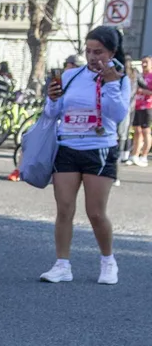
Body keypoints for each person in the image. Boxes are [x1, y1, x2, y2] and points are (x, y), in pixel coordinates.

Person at [38, 26, 131, 286]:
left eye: (98, 52)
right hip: (67, 146)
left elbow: (118, 115)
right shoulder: (71, 75)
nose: (92, 57)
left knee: (96, 212)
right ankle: (62, 265)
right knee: (64, 208)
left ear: (112, 52)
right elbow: (53, 112)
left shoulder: (121, 78)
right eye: (88, 51)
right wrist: (52, 99)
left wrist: (111, 83)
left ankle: (108, 261)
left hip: (99, 148)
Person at [129, 56, 152, 167]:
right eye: (142, 62)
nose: (144, 64)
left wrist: (143, 91)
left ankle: (144, 156)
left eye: (146, 62)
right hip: (136, 106)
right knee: (137, 131)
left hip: (147, 106)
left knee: (145, 131)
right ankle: (135, 155)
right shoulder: (139, 75)